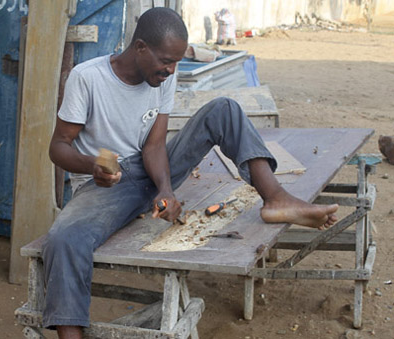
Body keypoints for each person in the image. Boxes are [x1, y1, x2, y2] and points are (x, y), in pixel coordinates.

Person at [43, 7, 338, 339]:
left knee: (223, 109)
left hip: (149, 171)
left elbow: (154, 147)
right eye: (166, 61)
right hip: (106, 187)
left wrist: (165, 190)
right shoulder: (88, 78)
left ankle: (275, 198)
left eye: (176, 62)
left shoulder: (162, 77)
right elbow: (59, 147)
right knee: (63, 239)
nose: (171, 70)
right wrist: (92, 165)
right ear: (140, 47)